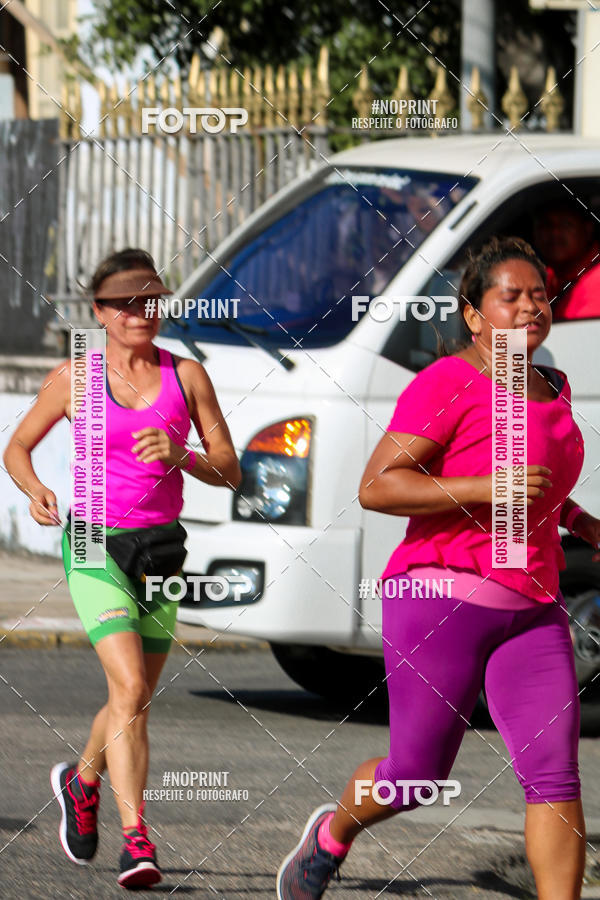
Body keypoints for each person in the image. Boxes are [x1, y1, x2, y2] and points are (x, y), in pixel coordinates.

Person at [277, 236, 600, 900]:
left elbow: (537, 488)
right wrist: (488, 486)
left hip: (533, 607)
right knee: (416, 777)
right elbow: (379, 487)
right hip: (439, 597)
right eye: (508, 296)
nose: (528, 307)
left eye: (538, 294)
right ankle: (333, 835)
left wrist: (579, 522)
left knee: (555, 777)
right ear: (475, 316)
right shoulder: (449, 382)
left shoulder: (551, 387)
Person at [3, 248, 241, 888]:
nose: (142, 312)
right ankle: (138, 838)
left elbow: (231, 469)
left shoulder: (187, 376)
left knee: (131, 698)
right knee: (131, 690)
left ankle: (81, 780)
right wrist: (34, 490)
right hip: (90, 541)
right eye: (126, 303)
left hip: (162, 549)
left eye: (152, 299)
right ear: (100, 312)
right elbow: (17, 448)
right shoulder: (75, 375)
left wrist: (182, 454)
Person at [533, 198, 600, 321]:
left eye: (566, 224)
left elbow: (575, 337)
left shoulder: (596, 281)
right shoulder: (546, 278)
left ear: (587, 229)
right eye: (546, 225)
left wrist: (495, 340)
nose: (555, 233)